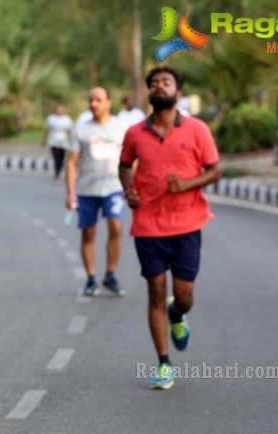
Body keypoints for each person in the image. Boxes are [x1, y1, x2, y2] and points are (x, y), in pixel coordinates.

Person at [118, 66, 220, 390]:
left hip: (187, 223)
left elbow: (215, 171)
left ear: (178, 93)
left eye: (166, 82)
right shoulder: (135, 133)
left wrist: (187, 184)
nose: (159, 86)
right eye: (154, 83)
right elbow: (124, 165)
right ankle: (164, 363)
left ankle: (179, 314)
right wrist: (129, 190)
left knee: (184, 295)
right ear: (149, 93)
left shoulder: (197, 129)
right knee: (156, 290)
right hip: (147, 224)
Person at [66, 87, 128, 297]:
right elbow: (72, 163)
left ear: (108, 103)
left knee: (116, 226)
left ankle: (110, 273)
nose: (94, 104)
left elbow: (130, 161)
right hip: (87, 190)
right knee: (88, 233)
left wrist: (135, 186)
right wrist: (70, 193)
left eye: (98, 100)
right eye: (91, 100)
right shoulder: (82, 130)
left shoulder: (121, 128)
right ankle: (91, 278)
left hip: (114, 188)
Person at [44, 103, 72, 181]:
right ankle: (57, 173)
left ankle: (59, 171)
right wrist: (44, 140)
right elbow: (46, 130)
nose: (59, 110)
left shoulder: (67, 119)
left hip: (63, 142)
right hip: (53, 141)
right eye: (58, 108)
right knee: (56, 157)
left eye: (61, 108)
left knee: (61, 158)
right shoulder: (51, 118)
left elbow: (70, 130)